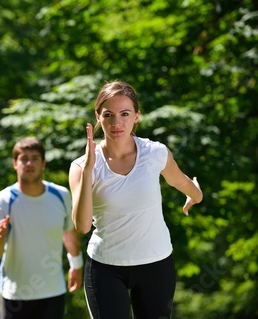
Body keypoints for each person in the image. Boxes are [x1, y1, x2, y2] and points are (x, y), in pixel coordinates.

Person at [69, 81, 203, 318]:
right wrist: (89, 170)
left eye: (125, 114)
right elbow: (82, 226)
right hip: (105, 268)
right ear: (98, 117)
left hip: (156, 264)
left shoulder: (155, 153)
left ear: (137, 116)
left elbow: (180, 182)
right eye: (108, 114)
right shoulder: (81, 167)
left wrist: (196, 195)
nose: (116, 122)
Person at [0, 137, 83, 319]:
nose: (29, 163)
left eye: (35, 158)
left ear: (43, 163)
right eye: (24, 158)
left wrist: (76, 265)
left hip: (52, 292)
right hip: (14, 295)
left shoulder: (61, 196)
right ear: (15, 163)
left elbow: (69, 234)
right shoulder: (3, 200)